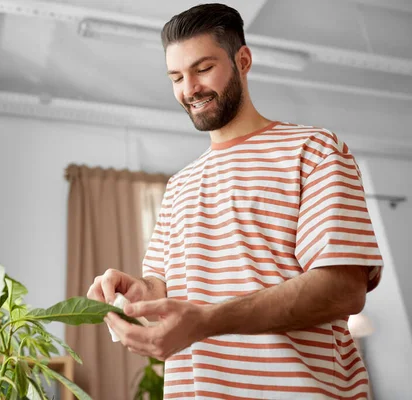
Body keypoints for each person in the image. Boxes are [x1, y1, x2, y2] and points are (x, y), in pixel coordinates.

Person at [86, 3, 383, 399]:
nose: (188, 89)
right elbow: (165, 290)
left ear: (242, 60)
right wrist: (138, 294)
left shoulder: (314, 151)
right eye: (176, 76)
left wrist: (209, 320)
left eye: (203, 68)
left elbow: (344, 289)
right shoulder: (179, 186)